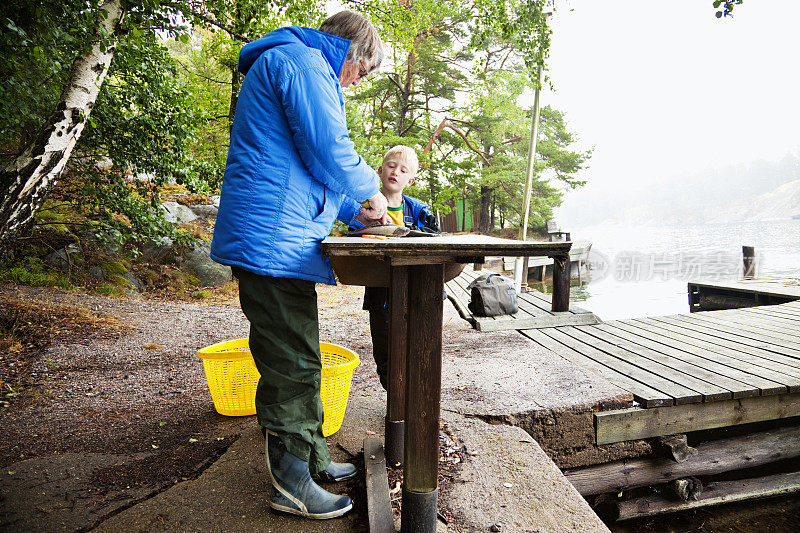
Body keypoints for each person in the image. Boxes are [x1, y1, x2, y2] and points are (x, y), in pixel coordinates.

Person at [209, 11, 389, 520]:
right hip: (272, 242)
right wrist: (372, 192)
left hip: (282, 240)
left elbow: (309, 168)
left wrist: (358, 213)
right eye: (365, 71)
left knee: (301, 355)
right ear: (353, 51)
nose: (359, 81)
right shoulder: (306, 62)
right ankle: (290, 486)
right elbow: (329, 149)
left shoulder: (297, 61)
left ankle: (310, 457)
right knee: (291, 364)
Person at [352, 146, 440, 389]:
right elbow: (351, 238)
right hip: (381, 292)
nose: (395, 172)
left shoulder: (419, 210)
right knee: (386, 351)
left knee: (418, 345)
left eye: (403, 170)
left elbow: (436, 238)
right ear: (380, 170)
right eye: (391, 166)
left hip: (416, 290)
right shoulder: (365, 209)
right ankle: (395, 402)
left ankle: (414, 398)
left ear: (409, 180)